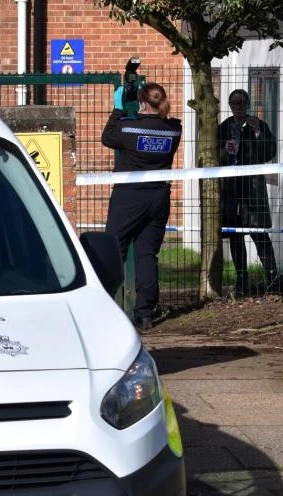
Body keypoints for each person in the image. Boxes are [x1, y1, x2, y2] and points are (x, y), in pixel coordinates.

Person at [101, 82, 182, 331]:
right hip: (158, 197)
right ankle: (145, 314)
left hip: (129, 197)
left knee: (114, 251)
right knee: (147, 254)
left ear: (141, 102)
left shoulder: (128, 127)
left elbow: (107, 137)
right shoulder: (174, 129)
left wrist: (118, 108)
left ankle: (104, 308)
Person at [219, 89, 279, 297]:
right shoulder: (224, 128)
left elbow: (269, 153)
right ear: (229, 105)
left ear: (248, 105)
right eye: (234, 104)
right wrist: (225, 150)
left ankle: (273, 280)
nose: (238, 108)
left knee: (260, 234)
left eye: (242, 104)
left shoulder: (258, 125)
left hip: (253, 189)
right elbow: (215, 157)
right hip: (231, 191)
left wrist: (258, 134)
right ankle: (242, 281)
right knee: (236, 238)